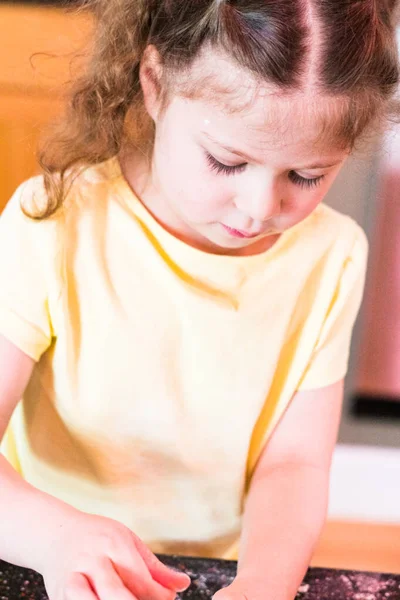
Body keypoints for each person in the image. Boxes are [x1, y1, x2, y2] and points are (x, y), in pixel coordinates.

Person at [0, 0, 399, 599]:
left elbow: (294, 464)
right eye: (226, 161)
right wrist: (55, 538)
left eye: (306, 176)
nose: (260, 207)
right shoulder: (54, 224)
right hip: (43, 556)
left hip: (207, 573)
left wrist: (263, 583)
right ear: (155, 84)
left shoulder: (331, 257)